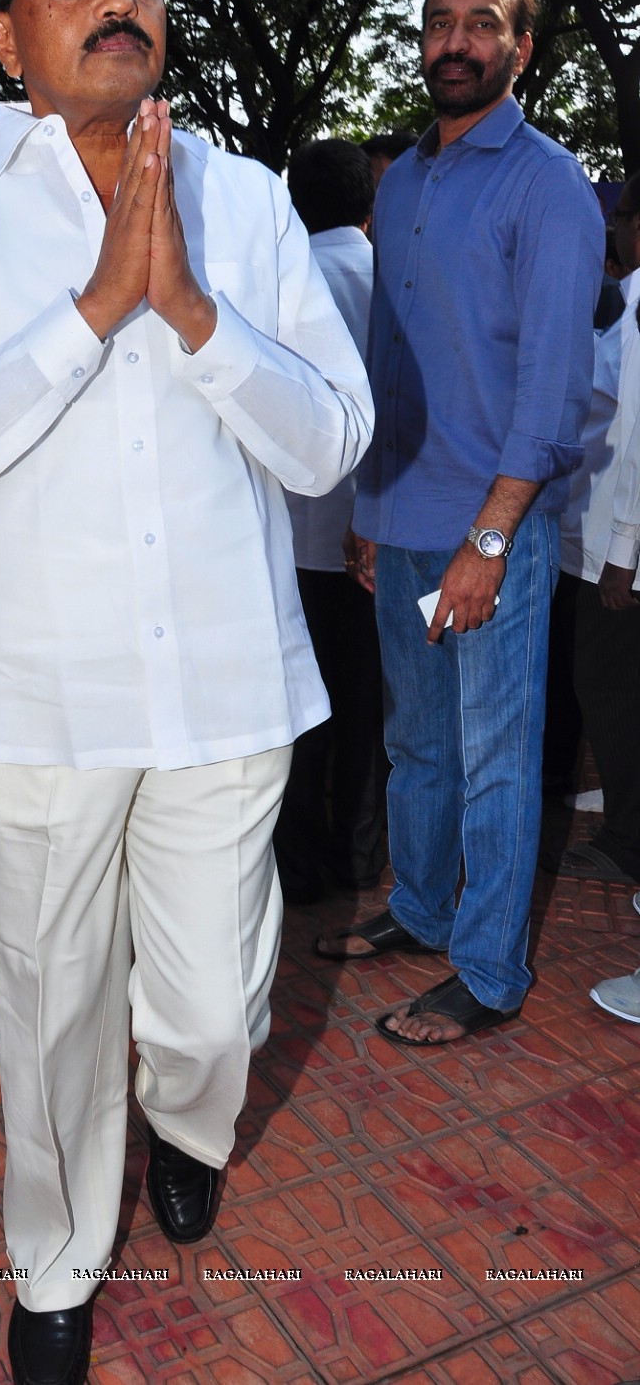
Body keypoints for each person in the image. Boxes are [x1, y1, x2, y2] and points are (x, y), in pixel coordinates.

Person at [0, 0, 373, 1383]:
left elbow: (330, 440)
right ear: (5, 37)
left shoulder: (247, 200)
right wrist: (83, 315)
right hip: (39, 706)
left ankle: (190, 1124)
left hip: (222, 690)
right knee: (51, 1013)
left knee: (208, 1011)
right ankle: (56, 1267)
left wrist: (191, 313)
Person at [316, 0, 605, 1048]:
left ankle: (486, 966)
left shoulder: (549, 185)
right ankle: (424, 906)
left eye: (481, 24)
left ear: (521, 49)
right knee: (418, 742)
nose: (455, 40)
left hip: (496, 531)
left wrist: (489, 538)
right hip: (405, 518)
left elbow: (552, 389)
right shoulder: (402, 182)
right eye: (439, 21)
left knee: (496, 754)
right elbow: (390, 359)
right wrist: (368, 504)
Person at [274, 139, 388, 903]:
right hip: (378, 531)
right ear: (368, 205)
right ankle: (359, 858)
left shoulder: (275, 282)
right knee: (366, 707)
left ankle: (297, 864)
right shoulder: (394, 280)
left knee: (294, 708)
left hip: (287, 536)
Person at [559, 172, 640, 890]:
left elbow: (634, 433)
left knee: (608, 687)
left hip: (618, 548)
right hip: (614, 538)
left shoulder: (637, 306)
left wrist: (621, 550)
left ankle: (626, 835)